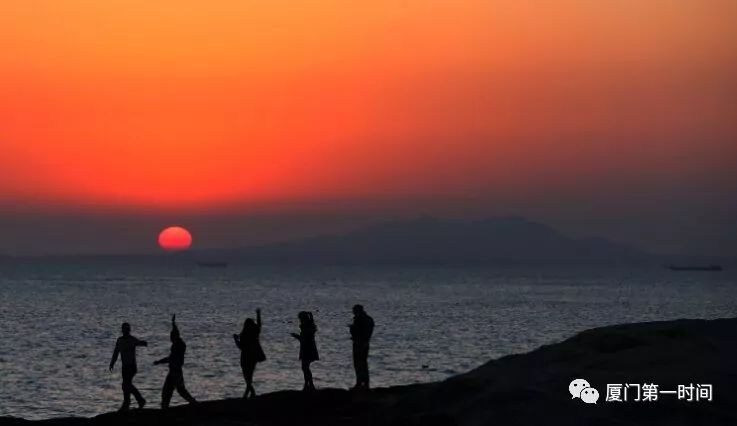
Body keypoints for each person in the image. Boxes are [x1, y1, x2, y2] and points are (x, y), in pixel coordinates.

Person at [153, 315, 197, 409]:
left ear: (174, 337)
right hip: (173, 371)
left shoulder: (179, 345)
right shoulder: (177, 344)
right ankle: (165, 406)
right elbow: (176, 332)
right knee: (169, 391)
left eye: (171, 336)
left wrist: (159, 362)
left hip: (176, 372)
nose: (170, 338)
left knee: (177, 391)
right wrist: (173, 323)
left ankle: (193, 403)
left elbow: (170, 358)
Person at [109, 322, 148, 411]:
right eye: (124, 329)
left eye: (127, 330)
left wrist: (144, 343)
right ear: (122, 330)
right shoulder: (120, 340)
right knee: (125, 385)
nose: (126, 331)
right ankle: (128, 403)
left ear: (129, 330)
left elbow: (139, 343)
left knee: (126, 384)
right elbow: (116, 352)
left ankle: (137, 401)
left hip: (132, 367)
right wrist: (112, 363)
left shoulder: (132, 340)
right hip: (125, 367)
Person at [233, 309, 266, 399]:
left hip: (245, 357)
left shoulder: (244, 335)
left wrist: (235, 339)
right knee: (249, 376)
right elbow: (259, 325)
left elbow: (240, 346)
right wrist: (258, 314)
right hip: (254, 356)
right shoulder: (255, 333)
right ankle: (249, 393)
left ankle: (250, 393)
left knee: (246, 376)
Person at [290, 311, 319, 391]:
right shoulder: (308, 326)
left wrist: (296, 336)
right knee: (305, 367)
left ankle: (309, 384)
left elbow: (304, 339)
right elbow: (304, 339)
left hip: (308, 349)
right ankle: (308, 384)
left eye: (300, 318)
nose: (300, 320)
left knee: (305, 367)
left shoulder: (307, 327)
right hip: (306, 348)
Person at [349, 304, 375, 390]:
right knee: (363, 363)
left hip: (359, 343)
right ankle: (365, 383)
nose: (353, 313)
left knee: (358, 363)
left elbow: (358, 331)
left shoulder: (359, 319)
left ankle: (360, 383)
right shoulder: (369, 319)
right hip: (365, 343)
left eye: (354, 311)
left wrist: (352, 329)